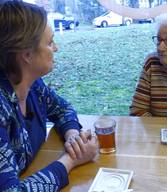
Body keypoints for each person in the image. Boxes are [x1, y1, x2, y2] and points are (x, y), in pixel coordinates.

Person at [0, 1, 98, 191]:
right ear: (27, 54)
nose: (56, 48)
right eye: (50, 42)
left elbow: (63, 109)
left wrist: (73, 137)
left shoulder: (33, 85)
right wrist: (71, 160)